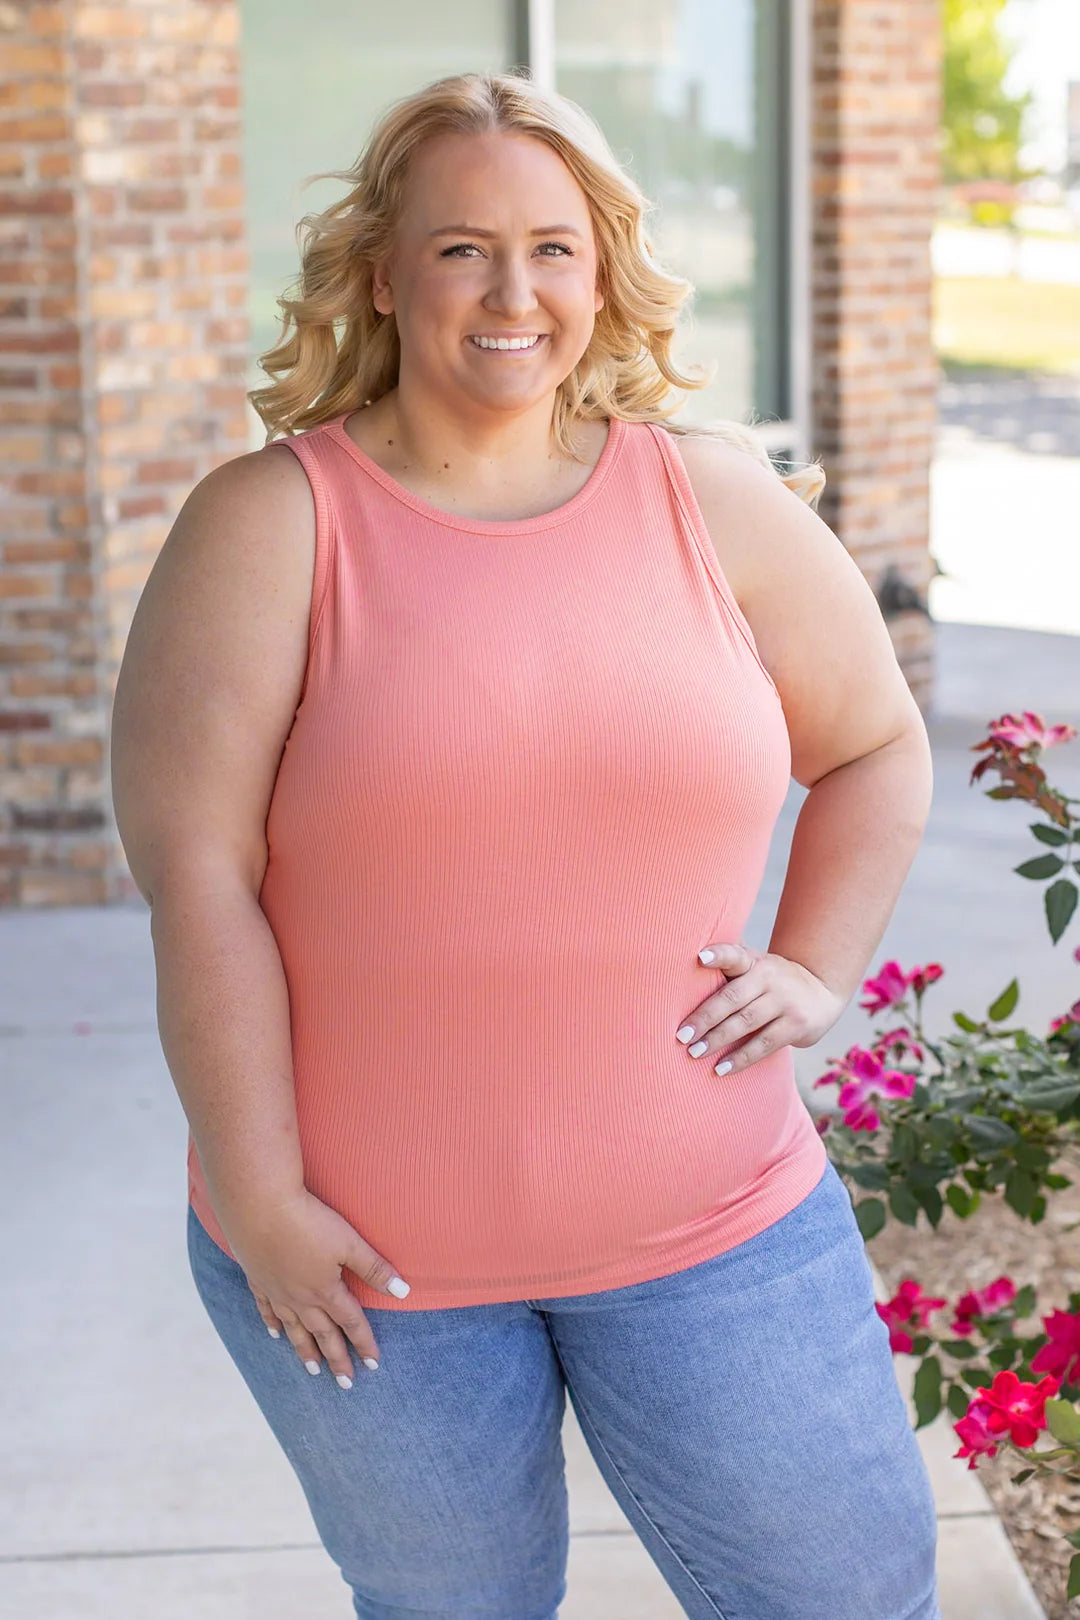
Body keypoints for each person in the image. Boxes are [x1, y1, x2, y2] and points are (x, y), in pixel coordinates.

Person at [109, 68, 941, 1620]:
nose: (514, 292)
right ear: (381, 270)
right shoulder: (269, 523)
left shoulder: (716, 502)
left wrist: (819, 966)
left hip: (719, 1230)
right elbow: (198, 881)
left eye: (556, 247)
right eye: (460, 248)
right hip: (369, 1277)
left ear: (604, 270)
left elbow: (880, 748)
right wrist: (262, 1194)